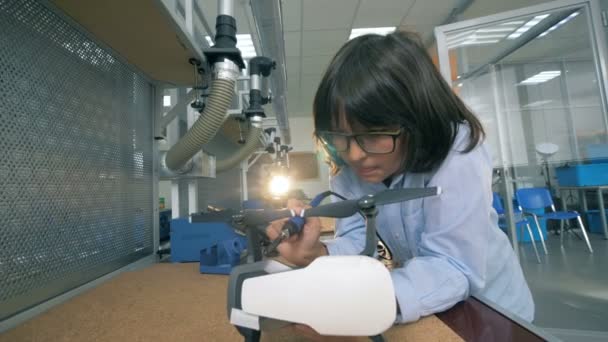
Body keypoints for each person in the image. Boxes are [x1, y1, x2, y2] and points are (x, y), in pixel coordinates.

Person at [266, 31, 534, 327]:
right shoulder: (349, 167)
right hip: (428, 303)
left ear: (416, 121)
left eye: (374, 134)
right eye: (340, 137)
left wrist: (359, 304)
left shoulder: (457, 149)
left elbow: (454, 266)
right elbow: (357, 239)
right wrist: (318, 252)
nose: (354, 154)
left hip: (491, 308)